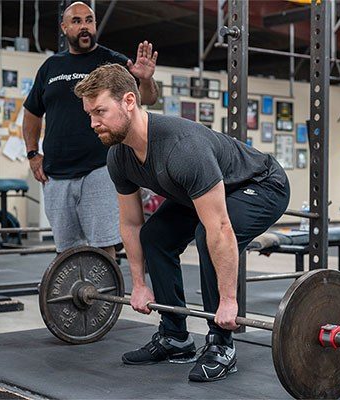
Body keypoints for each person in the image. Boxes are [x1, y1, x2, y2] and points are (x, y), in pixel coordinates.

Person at [74, 64, 290, 382]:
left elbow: (219, 228)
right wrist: (139, 286)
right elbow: (132, 224)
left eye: (100, 111)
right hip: (201, 192)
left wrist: (229, 302)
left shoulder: (181, 148)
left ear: (129, 101)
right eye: (89, 113)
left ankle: (221, 343)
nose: (93, 123)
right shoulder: (118, 157)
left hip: (260, 184)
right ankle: (175, 337)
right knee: (155, 236)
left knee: (206, 234)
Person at [22, 1, 158, 257]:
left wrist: (146, 79)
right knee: (66, 251)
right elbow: (31, 113)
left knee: (103, 245)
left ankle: (104, 296)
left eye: (89, 20)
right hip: (56, 173)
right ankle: (75, 297)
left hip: (100, 168)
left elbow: (147, 98)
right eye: (76, 21)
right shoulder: (51, 67)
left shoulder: (112, 62)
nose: (84, 26)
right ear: (64, 27)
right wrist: (32, 154)